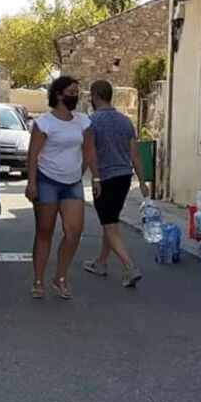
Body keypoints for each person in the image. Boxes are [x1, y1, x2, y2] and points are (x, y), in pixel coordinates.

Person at [25, 76, 101, 300]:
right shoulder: (44, 123)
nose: (75, 96)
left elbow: (89, 150)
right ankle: (38, 280)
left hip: (73, 183)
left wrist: (96, 177)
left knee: (74, 232)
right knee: (45, 231)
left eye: (77, 92)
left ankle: (59, 277)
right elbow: (33, 154)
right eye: (71, 92)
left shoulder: (83, 121)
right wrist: (31, 182)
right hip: (47, 181)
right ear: (59, 95)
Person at [81, 80, 149, 288]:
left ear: (95, 96)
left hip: (105, 179)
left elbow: (88, 153)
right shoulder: (125, 121)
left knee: (109, 225)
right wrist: (143, 182)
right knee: (110, 222)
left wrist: (83, 177)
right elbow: (135, 154)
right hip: (124, 178)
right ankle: (101, 262)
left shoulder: (91, 122)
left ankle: (130, 268)